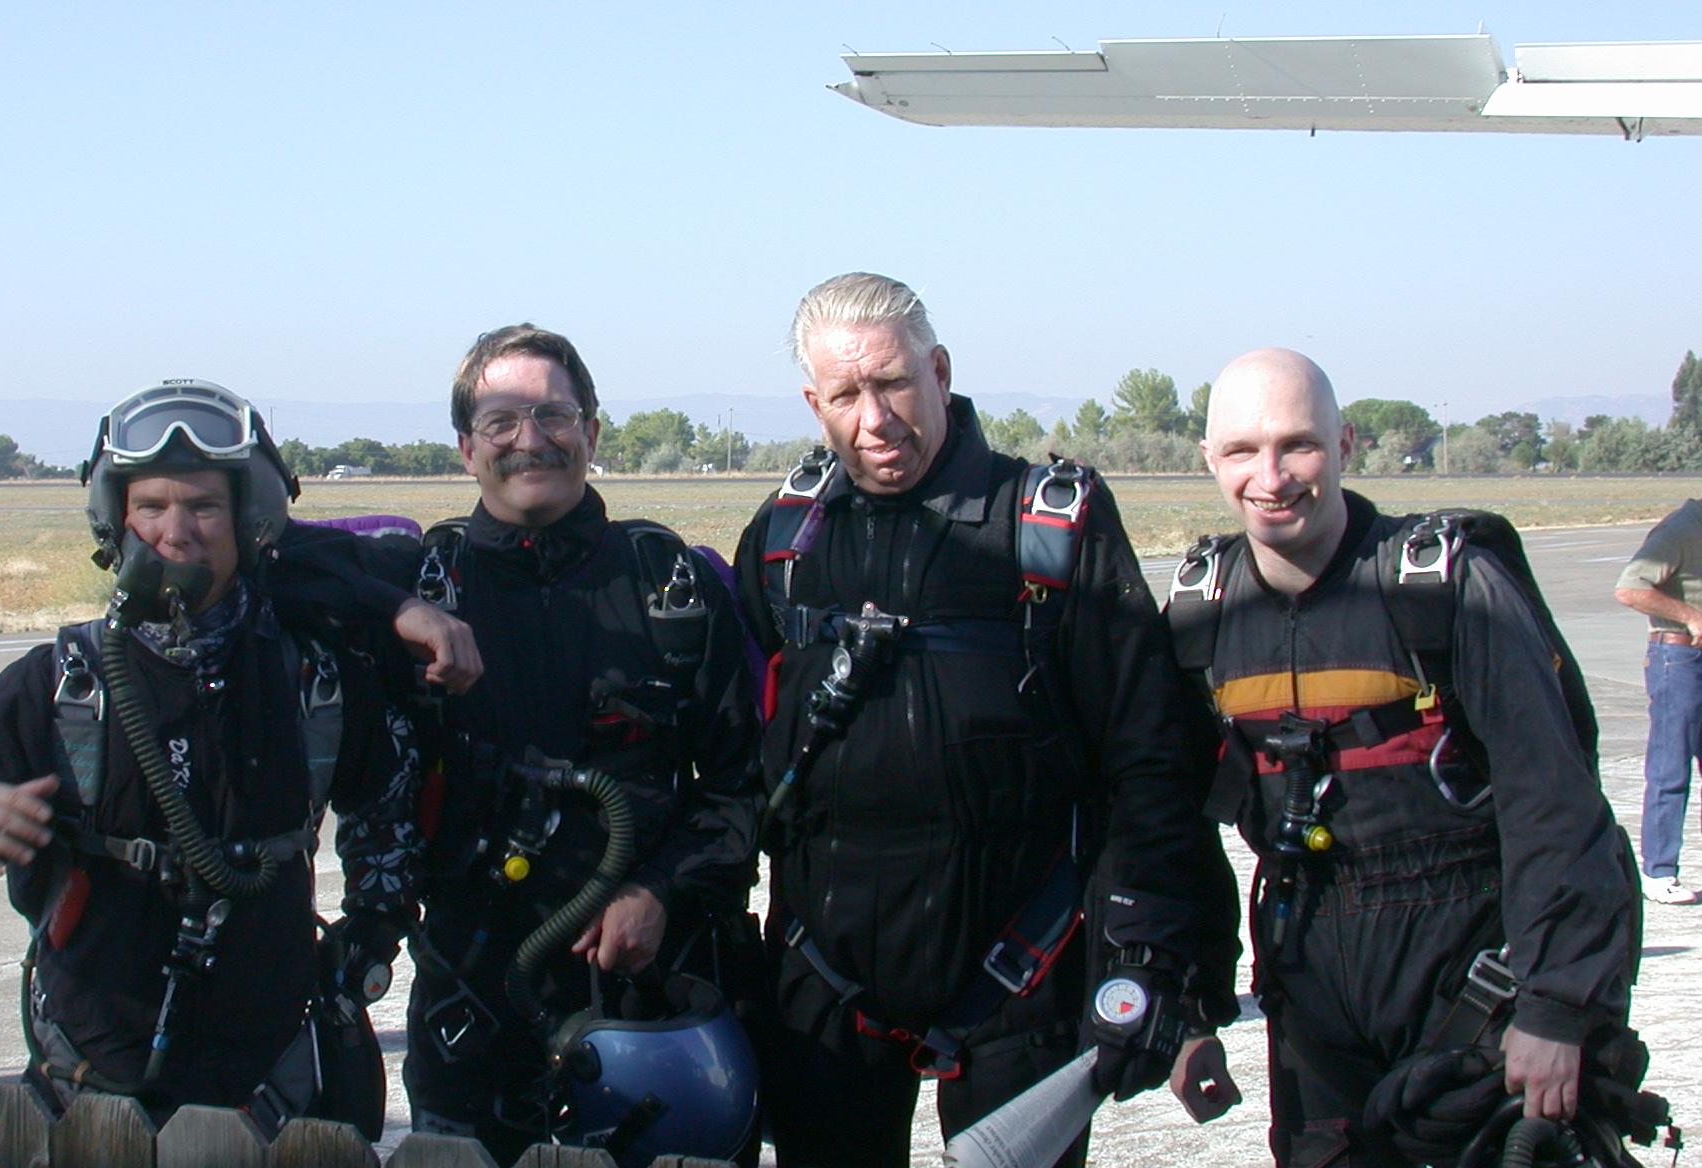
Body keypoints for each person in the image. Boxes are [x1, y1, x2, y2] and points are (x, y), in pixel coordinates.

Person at [0, 378, 479, 1131]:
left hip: (273, 1088)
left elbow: (388, 807)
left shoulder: (314, 679)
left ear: (247, 519)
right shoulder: (67, 683)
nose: (175, 531)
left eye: (204, 506)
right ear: (116, 520)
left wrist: (368, 939)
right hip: (88, 1090)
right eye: (150, 506)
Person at [732, 273, 1239, 1168]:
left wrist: (1156, 960)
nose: (875, 419)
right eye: (846, 395)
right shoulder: (785, 540)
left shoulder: (1050, 525)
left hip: (1024, 969)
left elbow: (1150, 758)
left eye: (894, 383)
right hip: (826, 977)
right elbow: (731, 753)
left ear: (939, 371)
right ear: (815, 405)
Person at [1185, 348, 1637, 1166]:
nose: (1271, 477)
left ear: (1345, 444)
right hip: (1312, 988)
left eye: (1298, 444)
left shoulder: (1446, 587)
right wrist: (1185, 1006)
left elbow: (1556, 805)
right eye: (1244, 450)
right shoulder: (1202, 616)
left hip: (1475, 980)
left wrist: (1558, 1007)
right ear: (1209, 458)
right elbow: (1161, 822)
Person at [374, 324, 763, 1163]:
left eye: (553, 414)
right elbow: (266, 563)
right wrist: (397, 611)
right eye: (501, 420)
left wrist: (661, 891)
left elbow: (744, 786)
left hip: (650, 1004)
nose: (531, 439)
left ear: (590, 430)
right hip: (471, 1007)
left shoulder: (672, 588)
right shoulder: (418, 587)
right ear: (466, 447)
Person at [1615, 498, 1702, 905]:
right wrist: (1690, 615)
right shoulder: (1682, 528)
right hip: (1679, 657)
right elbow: (1630, 589)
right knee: (1671, 765)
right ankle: (1659, 872)